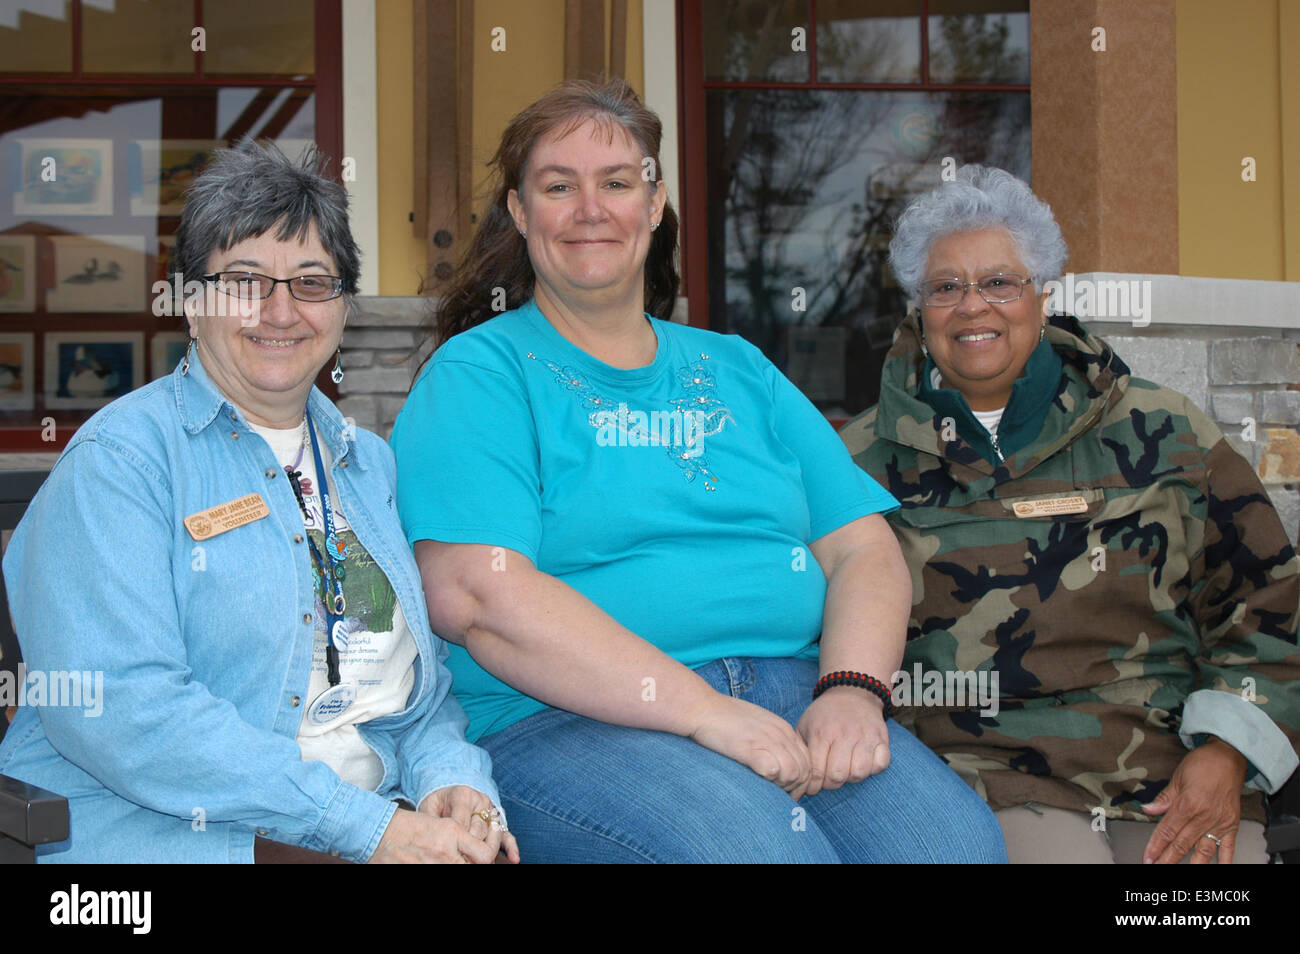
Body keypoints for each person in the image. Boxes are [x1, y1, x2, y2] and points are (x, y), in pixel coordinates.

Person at [390, 79, 1005, 863]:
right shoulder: (481, 374)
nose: (590, 209)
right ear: (519, 211)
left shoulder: (739, 368)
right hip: (566, 719)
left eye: (617, 183)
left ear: (653, 204)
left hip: (791, 690)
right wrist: (700, 710)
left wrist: (852, 688)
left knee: (957, 851)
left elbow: (861, 549)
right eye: (557, 186)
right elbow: (477, 595)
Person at [0, 142, 518, 864]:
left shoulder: (365, 466)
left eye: (312, 282)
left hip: (366, 824)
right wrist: (363, 829)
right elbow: (123, 713)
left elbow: (411, 699)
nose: (280, 311)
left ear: (342, 309)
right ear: (190, 301)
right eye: (244, 281)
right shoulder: (120, 466)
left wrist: (452, 783)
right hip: (177, 841)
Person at [840, 164, 1300, 864]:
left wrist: (1229, 752)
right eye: (945, 288)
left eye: (999, 282)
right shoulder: (856, 462)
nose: (973, 307)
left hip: (1172, 770)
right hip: (974, 777)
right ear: (919, 308)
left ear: (1042, 295)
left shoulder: (1167, 431)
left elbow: (1269, 603)